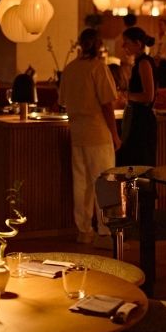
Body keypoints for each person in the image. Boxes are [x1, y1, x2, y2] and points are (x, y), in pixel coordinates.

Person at [58, 28, 122, 247]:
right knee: (105, 183)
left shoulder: (70, 69)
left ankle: (84, 231)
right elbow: (107, 105)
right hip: (98, 132)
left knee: (81, 183)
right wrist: (115, 134)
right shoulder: (98, 68)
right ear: (98, 46)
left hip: (77, 132)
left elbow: (63, 101)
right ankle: (106, 233)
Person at [116, 26, 157, 166]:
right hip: (138, 118)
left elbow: (148, 96)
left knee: (140, 163)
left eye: (126, 42)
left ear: (138, 44)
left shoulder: (144, 63)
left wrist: (127, 96)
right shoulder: (138, 63)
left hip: (142, 121)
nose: (123, 46)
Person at [152, 18, 166, 88]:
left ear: (165, 26)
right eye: (159, 25)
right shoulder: (155, 36)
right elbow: (152, 49)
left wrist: (161, 57)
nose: (160, 26)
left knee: (163, 81)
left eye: (162, 25)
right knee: (154, 80)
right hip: (155, 60)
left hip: (164, 61)